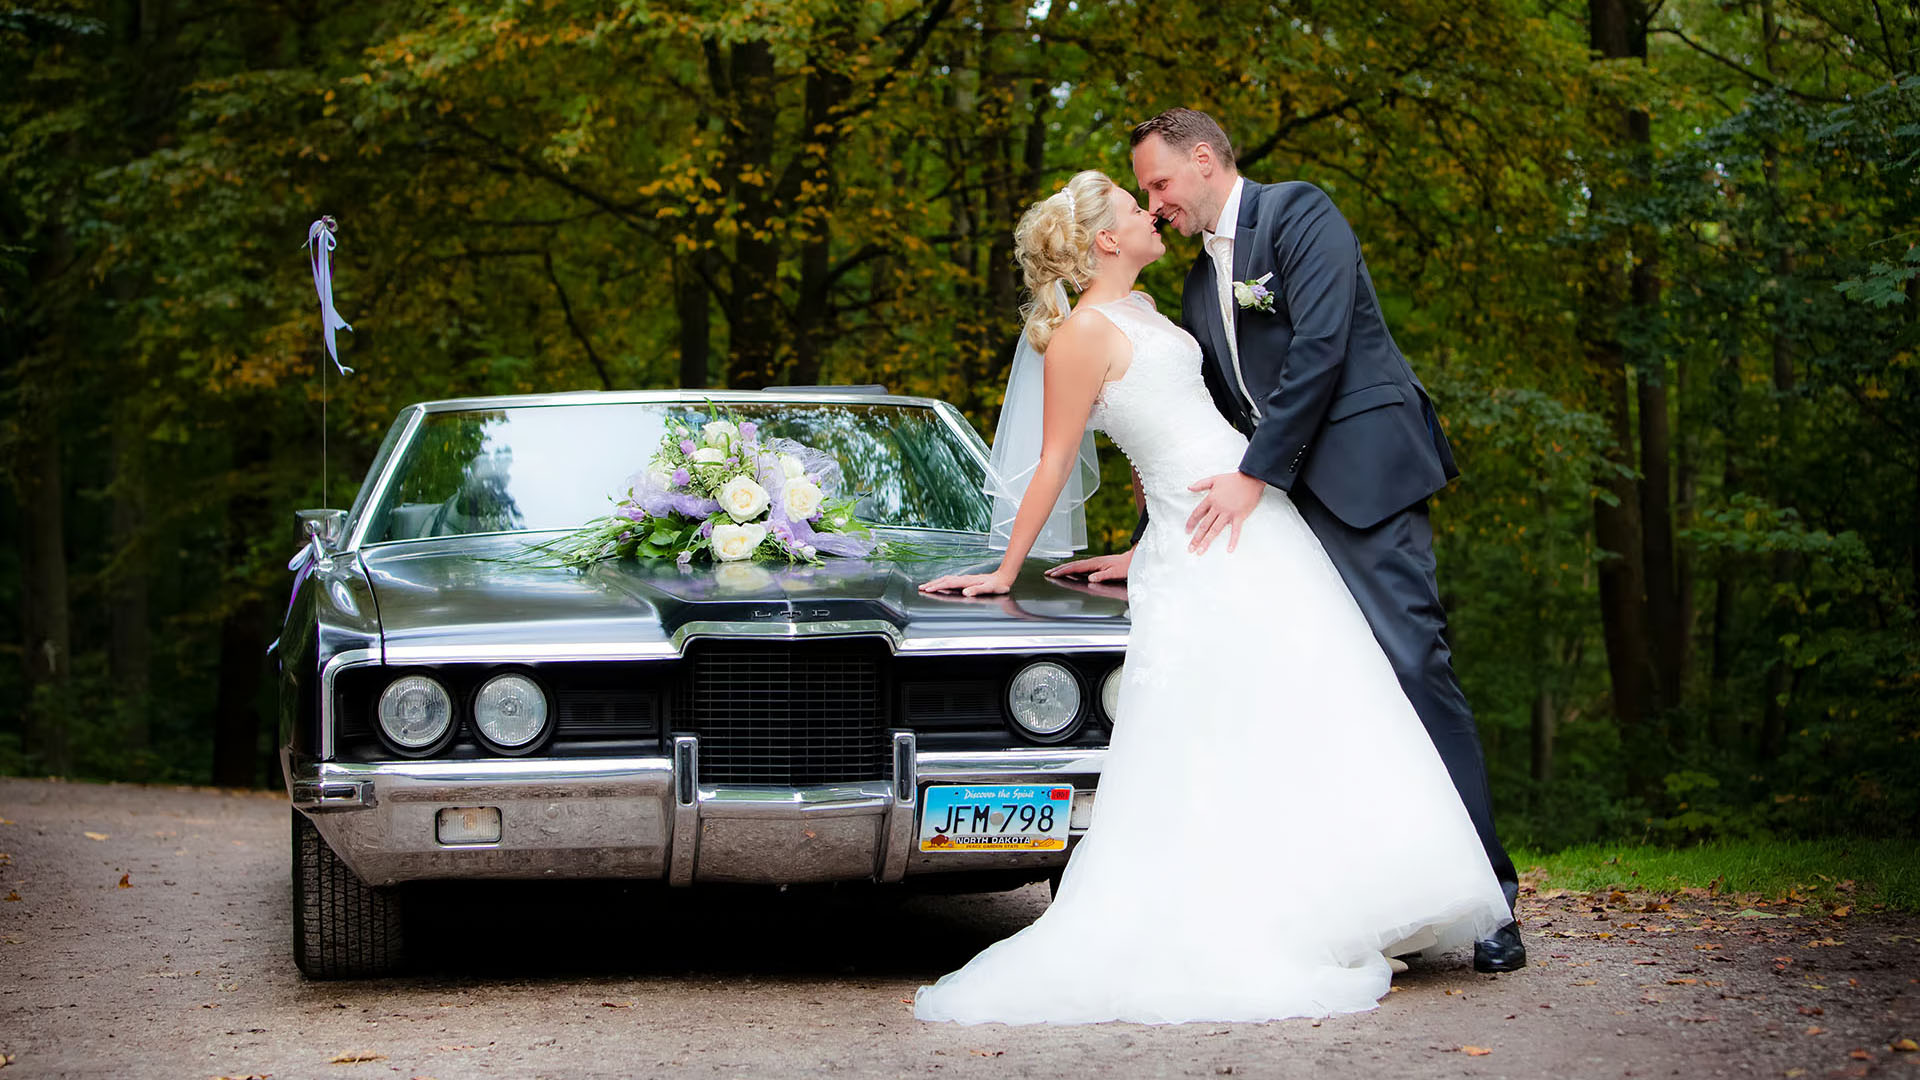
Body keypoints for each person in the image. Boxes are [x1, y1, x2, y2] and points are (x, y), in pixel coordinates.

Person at [913, 169, 1510, 1025]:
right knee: (1223, 726)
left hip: (1252, 518)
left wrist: (1145, 538)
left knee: (1314, 701)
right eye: (1132, 204)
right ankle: (1254, 919)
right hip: (1208, 543)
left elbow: (1186, 422)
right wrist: (1007, 569)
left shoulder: (1156, 309)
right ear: (1105, 240)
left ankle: (1338, 897)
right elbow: (1054, 461)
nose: (1151, 210)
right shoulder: (1081, 333)